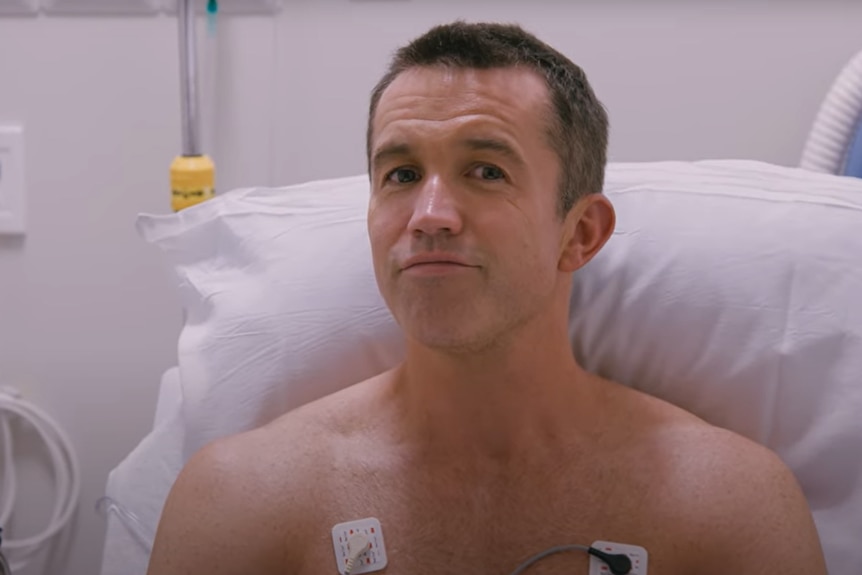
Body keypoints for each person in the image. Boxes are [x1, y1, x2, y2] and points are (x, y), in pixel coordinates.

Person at [146, 21, 827, 575]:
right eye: (402, 173)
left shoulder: (727, 507)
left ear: (580, 233)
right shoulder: (245, 499)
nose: (430, 213)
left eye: (485, 170)